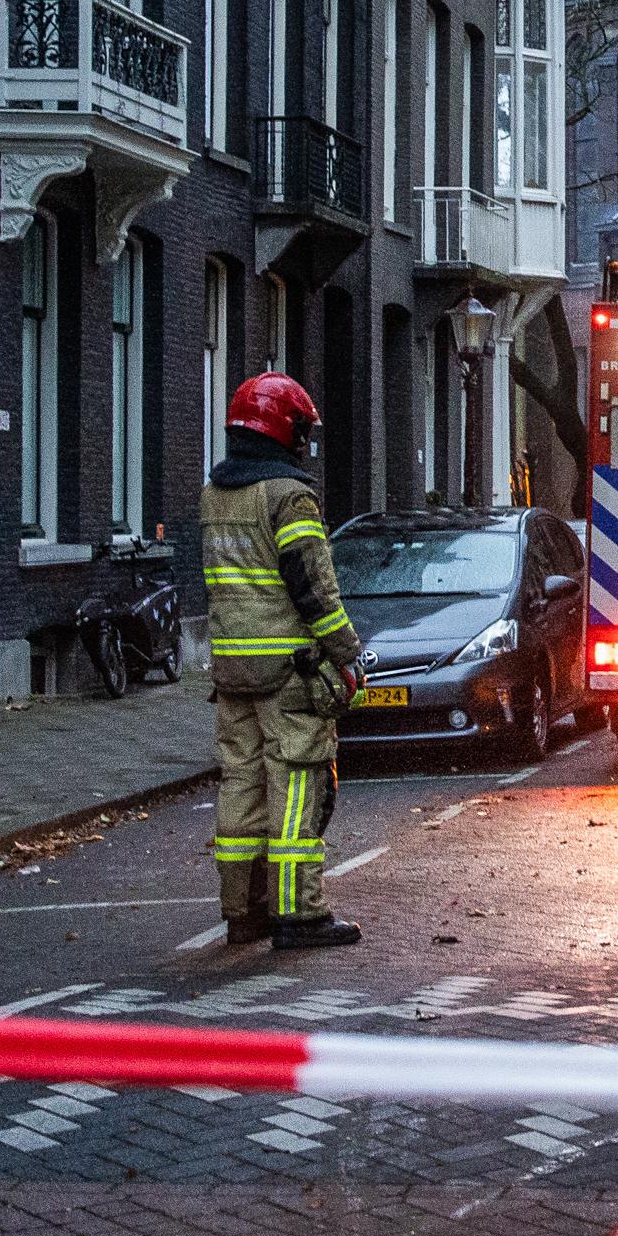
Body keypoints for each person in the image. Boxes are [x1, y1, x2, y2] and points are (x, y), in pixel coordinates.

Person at [204, 372, 363, 949]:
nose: (305, 442)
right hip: (288, 670)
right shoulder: (289, 496)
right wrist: (348, 654)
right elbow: (313, 587)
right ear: (283, 429)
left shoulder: (215, 493)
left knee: (241, 785)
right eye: (301, 430)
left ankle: (242, 912)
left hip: (231, 669)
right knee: (297, 783)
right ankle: (299, 915)